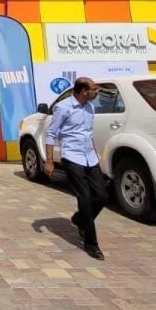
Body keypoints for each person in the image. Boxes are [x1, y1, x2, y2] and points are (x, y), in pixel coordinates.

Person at [44, 77, 107, 260]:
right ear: (83, 91)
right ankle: (91, 243)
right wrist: (49, 161)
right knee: (85, 198)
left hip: (90, 157)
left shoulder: (90, 107)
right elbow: (51, 134)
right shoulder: (63, 107)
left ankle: (80, 219)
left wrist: (96, 156)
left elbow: (89, 134)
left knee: (102, 196)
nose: (97, 92)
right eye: (94, 89)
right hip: (72, 157)